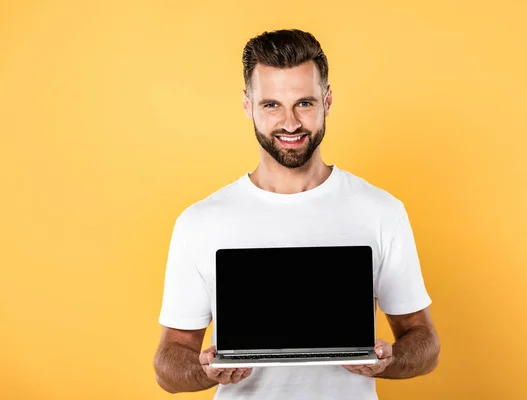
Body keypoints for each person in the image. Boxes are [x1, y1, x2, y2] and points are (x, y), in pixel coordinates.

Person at [153, 29, 440, 400]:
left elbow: (425, 344)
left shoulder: (380, 210)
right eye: (271, 105)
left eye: (304, 103)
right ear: (247, 106)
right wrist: (204, 370)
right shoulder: (201, 222)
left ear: (327, 101)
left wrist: (391, 359)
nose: (290, 123)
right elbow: (168, 366)